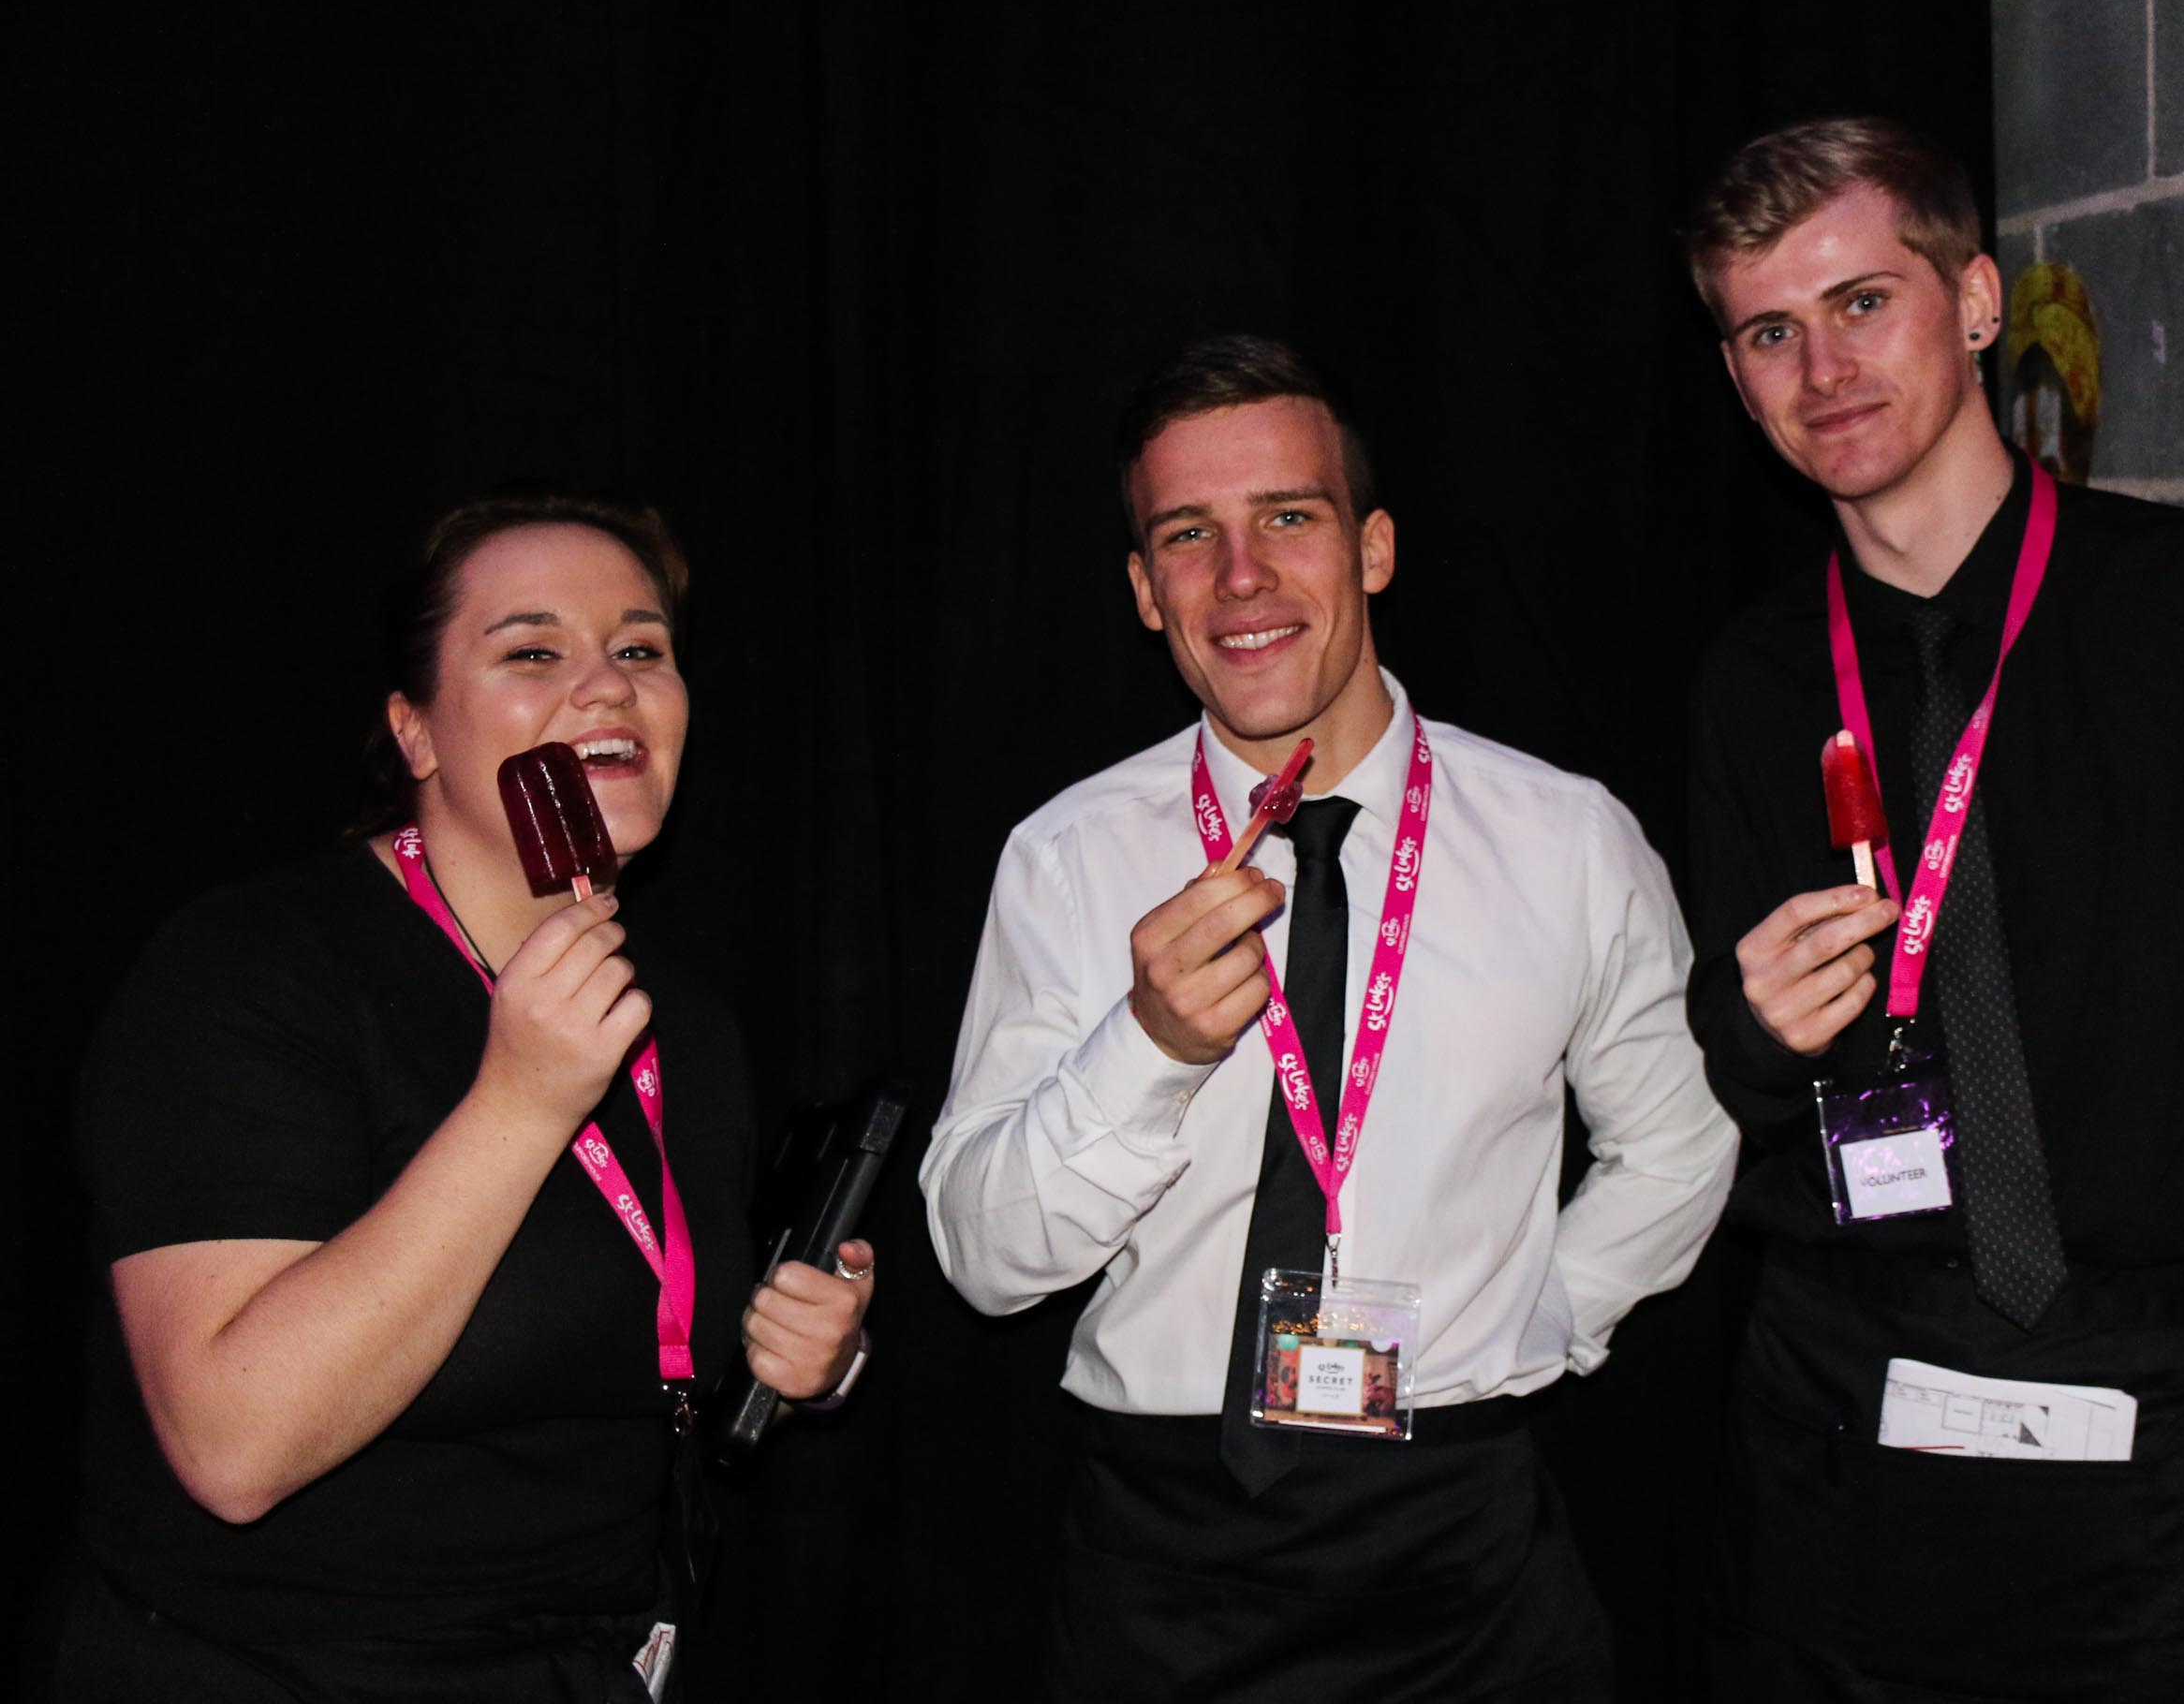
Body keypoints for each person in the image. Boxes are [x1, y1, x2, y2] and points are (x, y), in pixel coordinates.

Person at [1681, 118, 2184, 1704]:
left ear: (1975, 302)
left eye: (1863, 302)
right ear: (1735, 378)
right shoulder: (1751, 680)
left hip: (2141, 1439)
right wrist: (1747, 1035)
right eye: (1771, 332)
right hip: (1837, 1444)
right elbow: (1728, 1095)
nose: (1823, 369)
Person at [922, 334, 1739, 1700]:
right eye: (1189, 535)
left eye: (1287, 517)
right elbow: (984, 1260)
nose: (1240, 577)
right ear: (1145, 591)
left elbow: (1681, 1141)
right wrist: (1149, 1048)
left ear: (1373, 549)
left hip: (1465, 1550)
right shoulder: (1066, 858)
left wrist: (1535, 1317)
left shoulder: (1568, 839)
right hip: (1163, 1559)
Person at [63, 492, 875, 1701]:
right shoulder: (249, 974)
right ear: (417, 733)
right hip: (273, 1669)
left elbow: (652, 1347)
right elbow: (234, 1447)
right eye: (533, 652)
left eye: (641, 648)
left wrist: (813, 1354)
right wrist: (520, 1105)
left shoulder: (683, 1018)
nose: (606, 687)